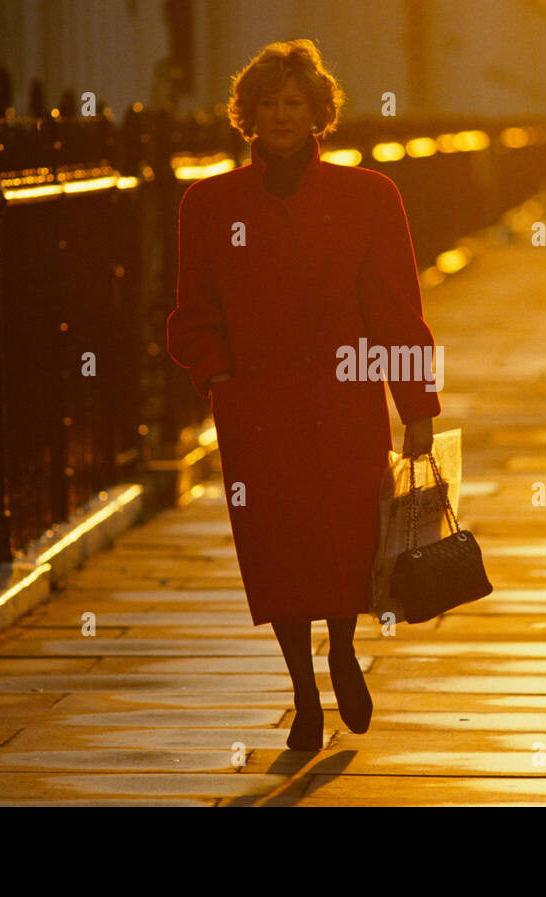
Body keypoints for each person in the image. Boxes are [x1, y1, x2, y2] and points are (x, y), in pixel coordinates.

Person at [166, 39, 442, 751]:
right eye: (267, 104)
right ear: (247, 116)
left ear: (320, 114)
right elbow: (192, 311)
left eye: (295, 104)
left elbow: (394, 307)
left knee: (350, 541)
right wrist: (218, 373)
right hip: (257, 409)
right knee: (278, 550)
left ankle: (343, 649)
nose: (281, 116)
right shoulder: (209, 203)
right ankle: (301, 691)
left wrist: (417, 405)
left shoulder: (369, 196)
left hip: (344, 397)